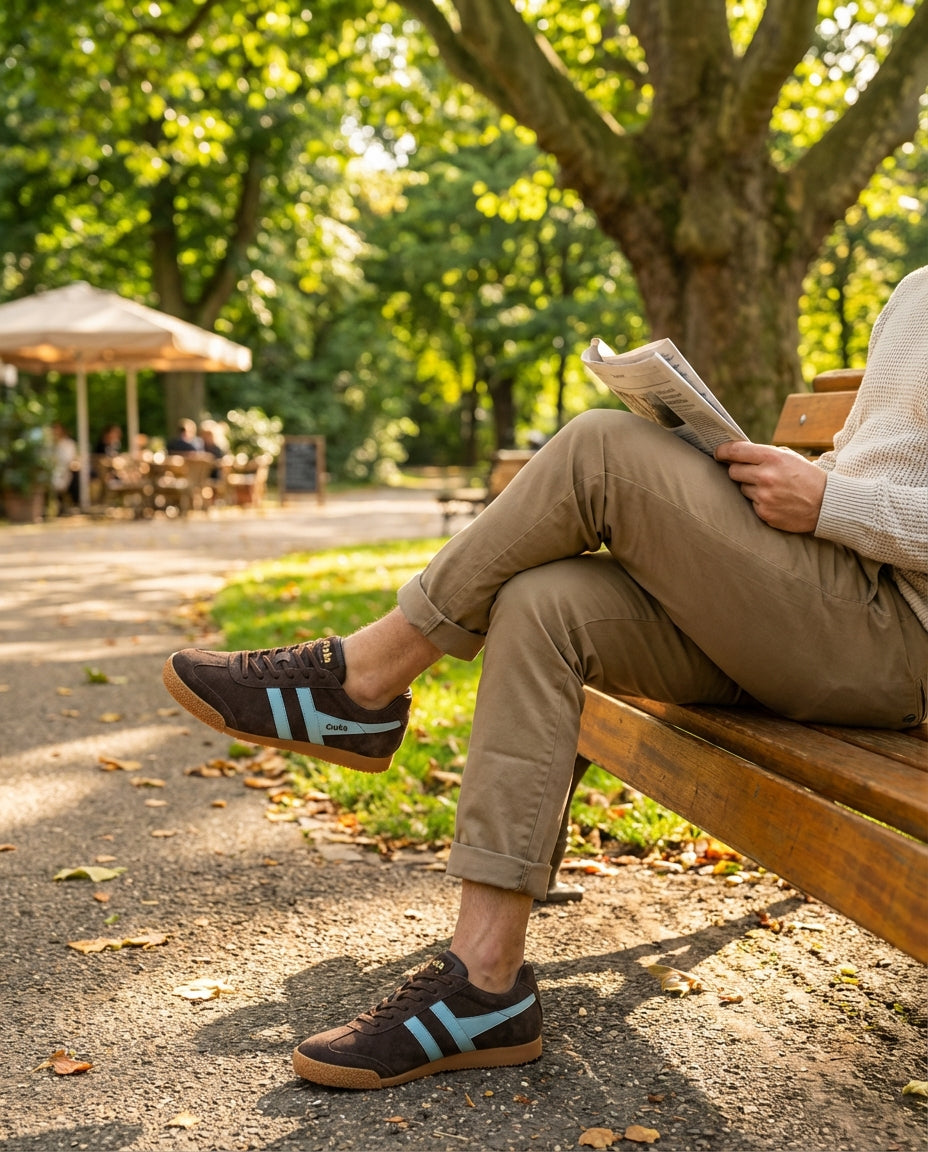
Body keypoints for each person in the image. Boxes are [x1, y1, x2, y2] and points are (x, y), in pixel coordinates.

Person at [163, 266, 928, 1091]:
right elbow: (886, 463)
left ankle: (361, 681)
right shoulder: (916, 287)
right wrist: (796, 475)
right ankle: (485, 980)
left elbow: (866, 501)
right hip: (821, 601)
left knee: (601, 447)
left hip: (894, 641)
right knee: (543, 602)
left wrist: (832, 504)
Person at [50, 422, 80, 513]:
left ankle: (74, 502)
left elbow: (71, 459)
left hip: (66, 469)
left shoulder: (69, 444)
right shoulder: (50, 444)